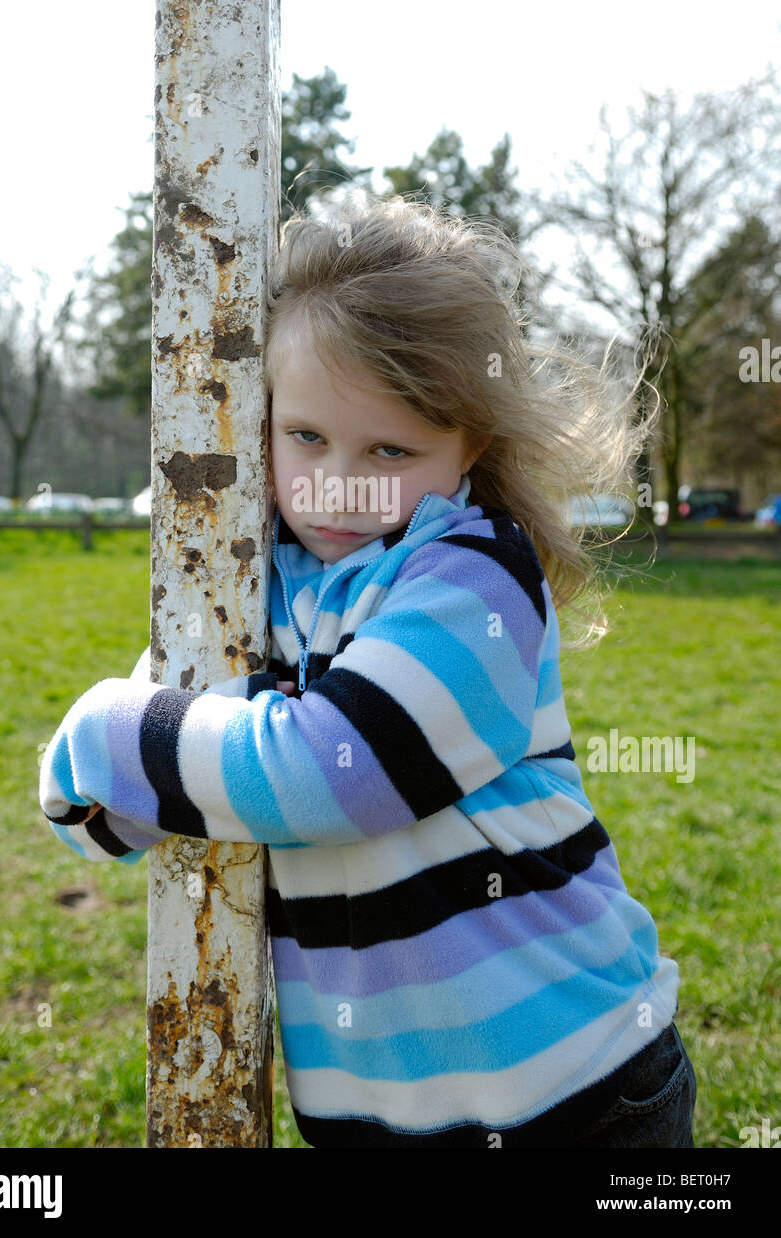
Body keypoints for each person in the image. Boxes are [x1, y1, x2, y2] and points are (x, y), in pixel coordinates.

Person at [39, 192, 697, 1148]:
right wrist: (115, 790)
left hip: (578, 1093)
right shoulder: (263, 593)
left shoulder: (475, 576)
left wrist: (111, 734)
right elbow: (128, 812)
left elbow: (332, 771)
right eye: (304, 437)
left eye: (390, 448)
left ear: (470, 443)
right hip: (381, 1122)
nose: (336, 483)